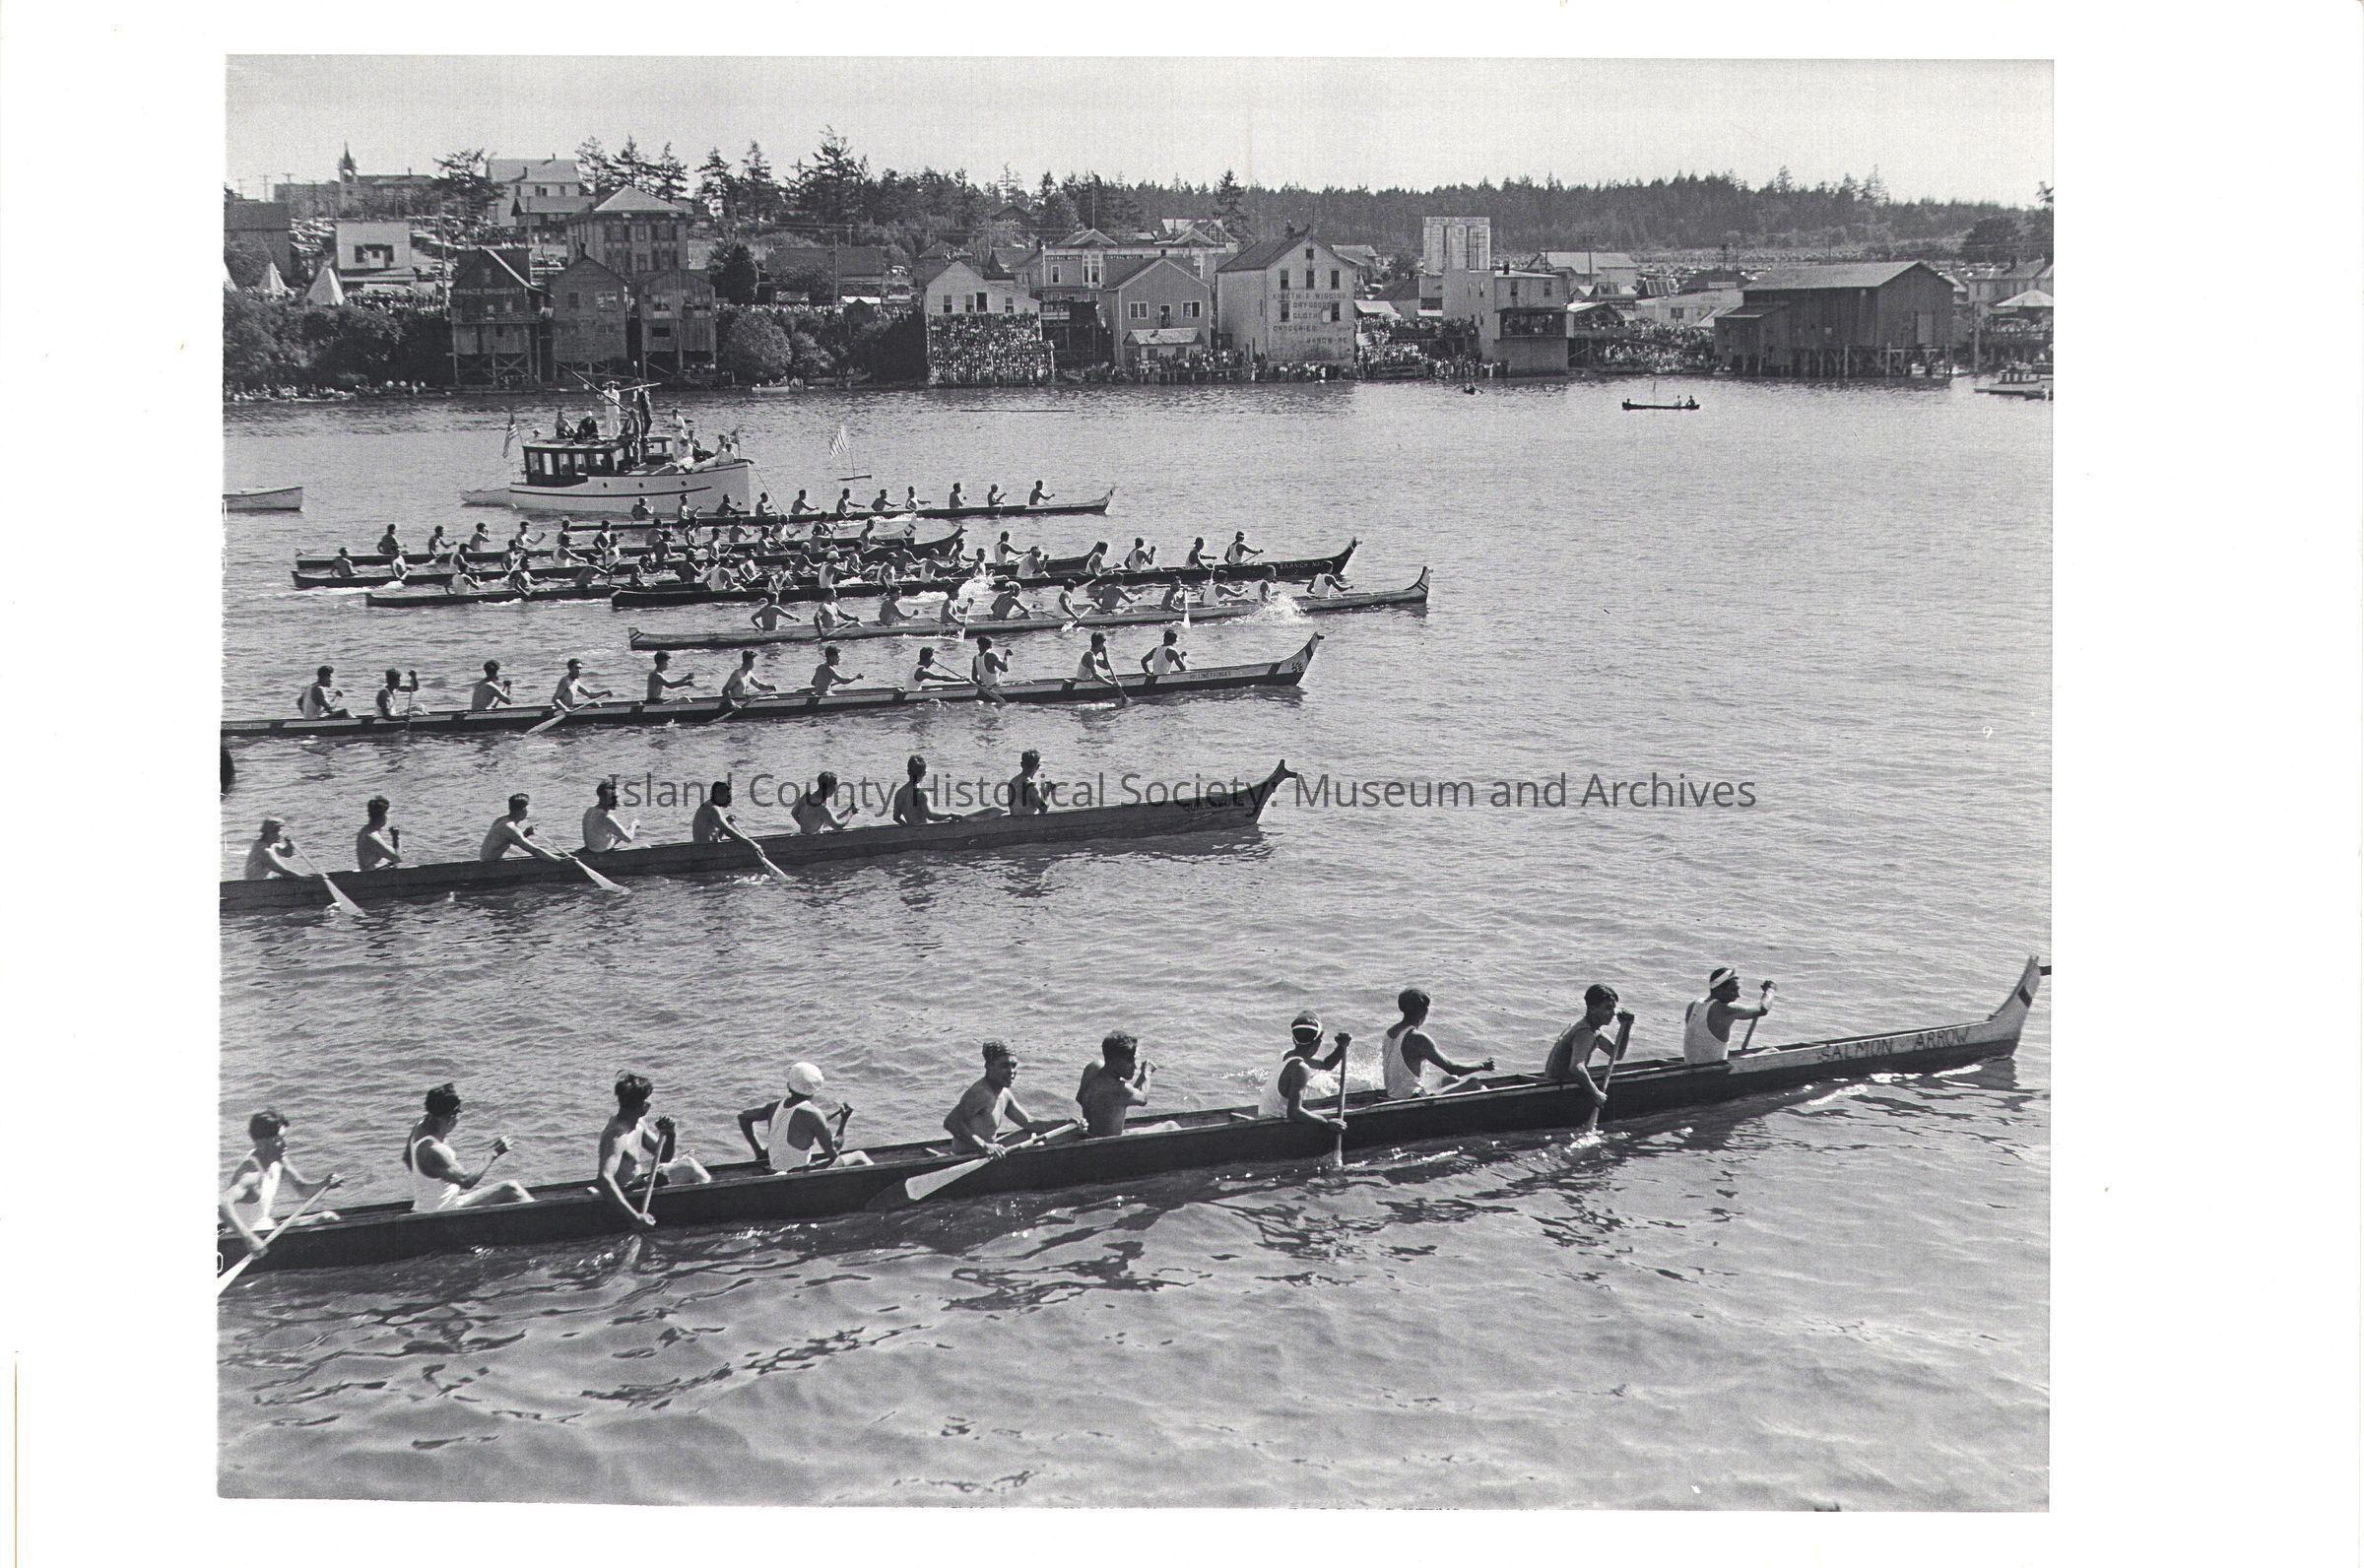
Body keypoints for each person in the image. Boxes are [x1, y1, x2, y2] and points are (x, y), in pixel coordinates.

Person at [596, 1073, 710, 1233]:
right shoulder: (618, 1135)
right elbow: (604, 1179)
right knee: (690, 1166)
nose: (651, 1102)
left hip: (640, 1184)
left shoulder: (638, 1123)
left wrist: (670, 1134)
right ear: (643, 1103)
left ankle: (695, 1205)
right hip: (628, 1193)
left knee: (685, 1162)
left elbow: (663, 1157)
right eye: (649, 1098)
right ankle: (711, 1205)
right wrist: (635, 1217)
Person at [220, 1109, 342, 1258]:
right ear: (262, 1144)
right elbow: (222, 1204)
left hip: (268, 1227)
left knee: (328, 1217)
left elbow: (302, 1189)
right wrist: (249, 1239)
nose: (285, 1145)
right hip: (246, 1242)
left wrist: (325, 1183)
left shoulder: (278, 1160)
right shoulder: (251, 1174)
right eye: (279, 1140)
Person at [403, 1083, 532, 1211]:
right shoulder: (433, 1150)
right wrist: (492, 1152)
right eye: (459, 1112)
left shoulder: (419, 1127)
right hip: (443, 1212)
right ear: (451, 1117)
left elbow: (408, 1158)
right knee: (511, 1189)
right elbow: (467, 1180)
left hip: (435, 1205)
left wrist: (430, 1185)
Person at [738, 1063, 871, 1170]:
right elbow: (834, 1153)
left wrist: (759, 1151)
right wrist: (843, 1122)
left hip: (774, 1169)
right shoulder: (814, 1114)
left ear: (789, 1086)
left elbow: (743, 1117)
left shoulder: (774, 1106)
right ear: (814, 1090)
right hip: (795, 1174)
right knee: (859, 1156)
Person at [944, 1041, 1067, 1156]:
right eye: (1005, 1066)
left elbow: (1029, 1123)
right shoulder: (980, 1093)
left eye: (1014, 1065)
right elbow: (951, 1122)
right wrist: (984, 1147)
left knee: (1029, 1135)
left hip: (989, 1152)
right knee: (1037, 1144)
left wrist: (1066, 1123)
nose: (1011, 1071)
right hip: (966, 1156)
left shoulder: (1004, 1094)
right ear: (989, 1066)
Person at [1381, 989, 1494, 1097]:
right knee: (1474, 1083)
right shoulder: (1417, 1038)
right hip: (1413, 1098)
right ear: (1424, 1012)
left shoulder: (1389, 1033)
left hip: (1393, 1094)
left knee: (1450, 1079)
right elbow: (1452, 1068)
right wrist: (1482, 1065)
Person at [1256, 1012, 1351, 1131]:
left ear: (1294, 1040)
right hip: (1276, 1126)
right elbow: (1294, 1112)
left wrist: (1341, 1047)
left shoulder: (1286, 1055)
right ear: (1318, 1042)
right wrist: (1326, 1123)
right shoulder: (1300, 1068)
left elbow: (1326, 1064)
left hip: (1265, 1118)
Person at [1682, 968, 1774, 1065]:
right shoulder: (1725, 1008)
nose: (1738, 995)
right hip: (1716, 1070)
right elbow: (1763, 1009)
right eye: (1734, 990)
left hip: (1691, 1065)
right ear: (1719, 989)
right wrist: (1771, 990)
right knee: (1773, 1051)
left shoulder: (1694, 1005)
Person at [1076, 1030, 1153, 1137]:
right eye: (1130, 1061)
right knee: (1170, 1125)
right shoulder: (1120, 1089)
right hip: (1108, 1143)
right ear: (1113, 1061)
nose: (1135, 1066)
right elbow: (1143, 1099)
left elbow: (1080, 1098)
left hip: (1089, 1135)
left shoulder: (1092, 1069)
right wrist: (1147, 1073)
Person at [482, 794, 570, 863]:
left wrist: (526, 833)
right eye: (527, 808)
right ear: (522, 810)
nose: (528, 811)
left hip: (486, 862)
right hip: (491, 866)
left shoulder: (501, 820)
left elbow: (513, 841)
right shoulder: (511, 828)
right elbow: (535, 851)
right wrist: (560, 860)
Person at [892, 753, 962, 825]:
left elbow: (896, 817)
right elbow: (930, 815)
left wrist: (908, 827)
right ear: (924, 773)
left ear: (908, 771)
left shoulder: (899, 793)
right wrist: (950, 814)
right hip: (926, 830)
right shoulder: (921, 793)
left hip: (912, 829)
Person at [690, 779, 761, 848]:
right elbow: (727, 831)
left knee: (729, 821)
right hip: (706, 849)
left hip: (705, 847)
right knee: (746, 843)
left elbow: (717, 834)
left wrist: (727, 821)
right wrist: (751, 844)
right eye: (728, 796)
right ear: (718, 795)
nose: (729, 800)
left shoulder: (709, 805)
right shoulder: (713, 809)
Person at [1072, 632, 1132, 706]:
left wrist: (1105, 654)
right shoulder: (1089, 656)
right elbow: (1095, 674)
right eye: (1103, 644)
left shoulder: (1093, 656)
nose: (1104, 646)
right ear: (1100, 644)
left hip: (1088, 683)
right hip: (1082, 686)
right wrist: (1112, 684)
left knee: (1106, 678)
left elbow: (1106, 667)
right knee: (1107, 681)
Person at [242, 817, 306, 881]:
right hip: (257, 885)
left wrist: (289, 845)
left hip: (264, 882)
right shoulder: (264, 851)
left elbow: (287, 854)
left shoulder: (271, 845)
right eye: (279, 831)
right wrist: (307, 879)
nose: (281, 834)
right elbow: (285, 872)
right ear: (270, 833)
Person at [582, 779, 635, 852]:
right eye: (613, 798)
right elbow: (629, 839)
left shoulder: (590, 810)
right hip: (602, 852)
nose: (617, 801)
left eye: (617, 797)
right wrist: (634, 825)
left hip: (591, 848)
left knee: (619, 833)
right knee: (645, 846)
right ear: (603, 799)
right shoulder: (606, 817)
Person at [356, 796, 403, 871]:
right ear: (382, 816)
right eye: (386, 814)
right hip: (375, 876)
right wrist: (396, 837)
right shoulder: (372, 836)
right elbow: (397, 858)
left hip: (374, 872)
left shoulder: (364, 831)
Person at [1008, 748, 1051, 815]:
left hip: (1015, 820)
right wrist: (1047, 792)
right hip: (1029, 820)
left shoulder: (1012, 782)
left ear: (1021, 764)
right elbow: (1044, 808)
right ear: (1037, 766)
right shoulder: (1030, 785)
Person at [970, 634, 1010, 705]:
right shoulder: (992, 656)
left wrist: (982, 684)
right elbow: (1005, 669)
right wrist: (1006, 656)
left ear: (979, 645)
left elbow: (974, 678)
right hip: (995, 689)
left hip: (982, 691)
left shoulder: (975, 658)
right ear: (990, 646)